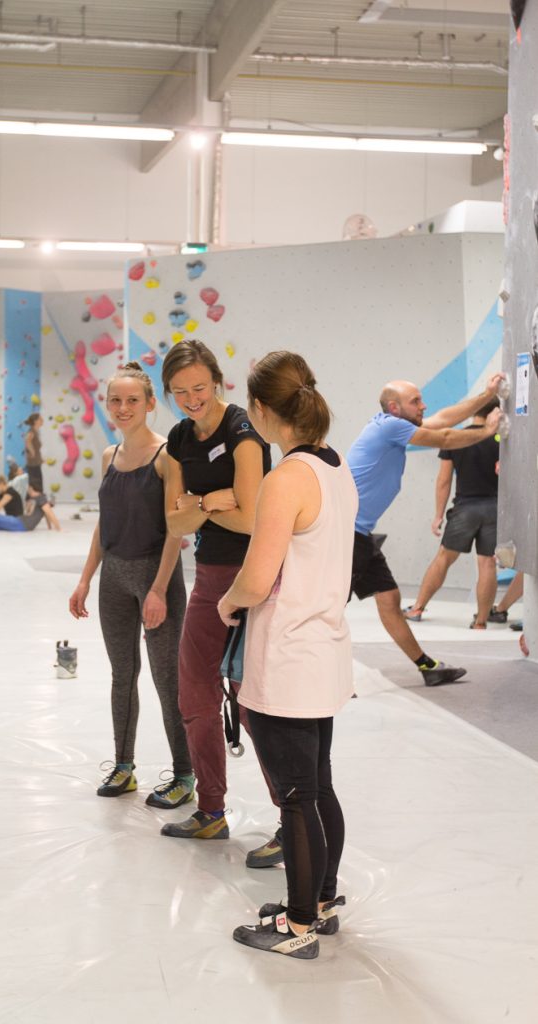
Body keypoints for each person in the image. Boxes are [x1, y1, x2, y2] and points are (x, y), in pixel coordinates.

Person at [217, 351, 358, 961]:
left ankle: (298, 924)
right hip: (324, 652)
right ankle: (319, 902)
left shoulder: (286, 479)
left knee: (296, 796)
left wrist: (227, 602)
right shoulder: (335, 467)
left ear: (260, 410)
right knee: (317, 786)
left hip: (287, 658)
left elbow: (257, 575)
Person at [159, 340, 273, 846]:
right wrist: (211, 501)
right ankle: (211, 810)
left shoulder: (242, 430)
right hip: (208, 576)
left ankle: (290, 822)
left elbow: (252, 519)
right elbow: (175, 519)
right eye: (180, 391)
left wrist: (196, 505)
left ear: (217, 383)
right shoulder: (181, 437)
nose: (191, 398)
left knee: (256, 706)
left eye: (199, 387)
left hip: (255, 578)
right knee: (194, 694)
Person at [68, 363, 193, 807]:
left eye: (132, 400)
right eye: (115, 401)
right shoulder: (108, 456)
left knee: (166, 680)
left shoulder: (166, 457)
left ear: (150, 404)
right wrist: (85, 579)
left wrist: (158, 589)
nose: (122, 409)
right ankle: (124, 767)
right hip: (113, 580)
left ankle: (184, 774)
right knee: (123, 676)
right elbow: (106, 523)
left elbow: (177, 530)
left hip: (156, 577)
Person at [347, 375, 503, 686]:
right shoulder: (390, 426)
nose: (423, 405)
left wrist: (486, 396)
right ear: (394, 407)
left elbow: (443, 419)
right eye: (415, 401)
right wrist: (487, 431)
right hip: (343, 533)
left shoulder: (393, 425)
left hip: (358, 533)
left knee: (389, 598)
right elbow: (444, 436)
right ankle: (328, 679)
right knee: (328, 608)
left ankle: (427, 667)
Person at [404, 400, 500, 628]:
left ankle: (417, 608)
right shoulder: (501, 439)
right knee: (487, 564)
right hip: (494, 508)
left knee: (444, 559)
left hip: (465, 508)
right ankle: (481, 621)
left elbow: (444, 480)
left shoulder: (456, 439)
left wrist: (438, 515)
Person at [24, 413, 44, 492]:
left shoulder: (35, 431)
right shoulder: (31, 431)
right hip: (33, 464)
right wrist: (32, 452)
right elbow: (27, 440)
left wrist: (40, 459)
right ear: (36, 421)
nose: (42, 421)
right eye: (40, 419)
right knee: (36, 484)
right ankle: (37, 501)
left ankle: (39, 501)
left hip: (36, 463)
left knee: (38, 483)